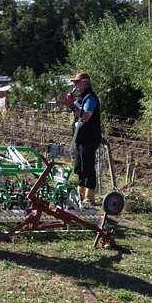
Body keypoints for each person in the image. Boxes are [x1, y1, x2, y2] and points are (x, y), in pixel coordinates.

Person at [57, 72, 101, 205]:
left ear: (85, 83)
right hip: (80, 138)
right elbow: (78, 109)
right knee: (79, 167)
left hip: (89, 138)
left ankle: (90, 195)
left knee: (87, 166)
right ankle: (80, 192)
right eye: (74, 82)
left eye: (77, 82)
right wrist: (73, 102)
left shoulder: (90, 98)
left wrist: (71, 105)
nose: (75, 84)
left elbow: (86, 116)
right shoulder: (82, 98)